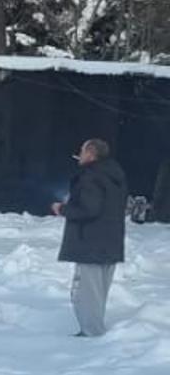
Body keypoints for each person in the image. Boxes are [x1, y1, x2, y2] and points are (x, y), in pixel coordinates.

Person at [51, 139, 125, 338]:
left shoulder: (90, 176)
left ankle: (90, 335)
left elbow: (89, 209)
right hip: (110, 242)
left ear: (91, 154)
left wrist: (63, 208)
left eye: (82, 151)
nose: (79, 154)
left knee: (86, 293)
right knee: (100, 292)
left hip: (89, 243)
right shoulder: (115, 175)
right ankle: (95, 329)